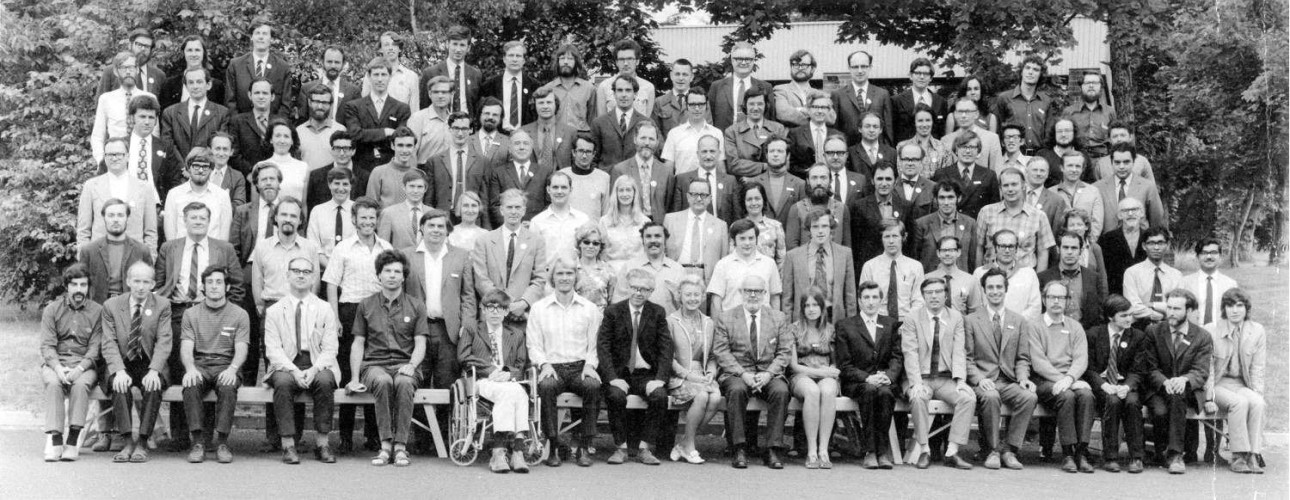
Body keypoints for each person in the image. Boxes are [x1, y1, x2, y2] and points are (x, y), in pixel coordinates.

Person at [155, 201, 245, 450]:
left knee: (212, 365)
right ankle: (181, 435)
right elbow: (161, 284)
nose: (197, 221)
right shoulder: (169, 248)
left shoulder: (223, 248)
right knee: (182, 371)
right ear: (184, 221)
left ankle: (206, 436)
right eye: (192, 217)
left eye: (202, 218)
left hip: (214, 312)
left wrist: (225, 311)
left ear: (209, 221)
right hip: (178, 312)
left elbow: (236, 284)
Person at [320, 196, 391, 452]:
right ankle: (346, 436)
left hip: (377, 311)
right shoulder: (343, 248)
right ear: (354, 220)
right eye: (363, 218)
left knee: (374, 369)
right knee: (348, 372)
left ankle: (373, 435)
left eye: (372, 218)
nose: (368, 222)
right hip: (349, 310)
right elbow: (331, 284)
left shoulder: (385, 248)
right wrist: (335, 317)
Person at [401, 209, 477, 442]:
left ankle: (444, 437)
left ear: (447, 231)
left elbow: (468, 295)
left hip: (448, 330)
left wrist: (468, 324)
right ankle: (421, 438)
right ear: (421, 228)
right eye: (431, 225)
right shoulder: (406, 255)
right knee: (419, 380)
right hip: (417, 331)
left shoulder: (461, 256)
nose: (435, 230)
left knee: (446, 383)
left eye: (441, 227)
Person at [346, 250, 427, 467]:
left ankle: (400, 447)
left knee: (403, 382)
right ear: (379, 275)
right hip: (374, 365)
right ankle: (385, 445)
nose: (392, 275)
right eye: (387, 271)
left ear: (403, 276)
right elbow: (358, 343)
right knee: (382, 381)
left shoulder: (416, 305)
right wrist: (354, 377)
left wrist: (411, 365)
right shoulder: (366, 304)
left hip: (405, 365)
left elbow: (420, 343)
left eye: (397, 271)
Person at [263, 256, 340, 464]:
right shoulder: (274, 311)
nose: (300, 275)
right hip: (287, 364)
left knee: (325, 381)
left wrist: (314, 370)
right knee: (282, 382)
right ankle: (288, 445)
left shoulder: (324, 308)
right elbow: (273, 350)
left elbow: (331, 347)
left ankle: (322, 443)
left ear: (314, 277)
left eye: (306, 272)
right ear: (287, 275)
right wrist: (294, 371)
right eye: (296, 271)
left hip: (317, 362)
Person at [528, 256, 603, 467]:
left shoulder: (589, 308)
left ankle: (583, 445)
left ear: (575, 277)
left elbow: (595, 345)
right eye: (559, 273)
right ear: (552, 277)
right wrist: (544, 364)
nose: (564, 278)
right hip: (553, 367)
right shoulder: (539, 308)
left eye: (569, 273)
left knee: (593, 386)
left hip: (580, 366)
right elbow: (533, 344)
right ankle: (553, 445)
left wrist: (589, 365)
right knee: (546, 386)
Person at [713, 275, 793, 469]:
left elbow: (784, 352)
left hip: (768, 373)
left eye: (758, 291)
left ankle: (773, 448)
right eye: (748, 291)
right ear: (741, 293)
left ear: (765, 294)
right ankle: (739, 447)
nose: (753, 295)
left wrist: (768, 374)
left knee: (781, 391)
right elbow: (721, 352)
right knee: (737, 390)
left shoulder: (778, 318)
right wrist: (743, 374)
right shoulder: (726, 317)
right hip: (737, 374)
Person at [597, 268, 674, 466]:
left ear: (651, 292)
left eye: (644, 289)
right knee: (615, 395)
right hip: (619, 373)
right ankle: (620, 447)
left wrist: (659, 380)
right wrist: (612, 378)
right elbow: (603, 347)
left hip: (645, 374)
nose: (638, 293)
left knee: (659, 396)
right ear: (628, 288)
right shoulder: (613, 311)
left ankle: (644, 447)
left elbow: (666, 349)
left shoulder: (657, 313)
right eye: (635, 288)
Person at [964, 268, 1038, 470]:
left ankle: (1009, 450)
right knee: (990, 396)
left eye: (999, 287)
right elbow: (967, 358)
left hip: (1008, 380)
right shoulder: (971, 320)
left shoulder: (1019, 320)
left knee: (1029, 396)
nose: (995, 291)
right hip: (984, 381)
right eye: (990, 287)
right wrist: (979, 379)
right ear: (983, 290)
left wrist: (1023, 378)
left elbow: (1023, 357)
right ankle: (992, 450)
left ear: (1006, 289)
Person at [901, 277, 975, 469]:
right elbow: (910, 352)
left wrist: (960, 380)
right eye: (929, 292)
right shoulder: (912, 318)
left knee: (967, 398)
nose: (934, 296)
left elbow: (960, 351)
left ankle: (952, 451)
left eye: (938, 292)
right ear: (923, 295)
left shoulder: (956, 317)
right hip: (921, 378)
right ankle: (924, 450)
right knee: (918, 398)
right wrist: (915, 383)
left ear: (945, 294)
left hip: (945, 378)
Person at [100, 262, 171, 463]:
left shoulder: (163, 305)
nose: (141, 286)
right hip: (122, 361)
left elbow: (164, 341)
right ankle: (127, 441)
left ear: (153, 284)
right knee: (119, 384)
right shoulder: (111, 306)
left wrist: (155, 370)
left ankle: (142, 441)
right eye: (137, 281)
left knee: (153, 386)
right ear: (128, 281)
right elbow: (108, 342)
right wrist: (119, 371)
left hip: (148, 361)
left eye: (146, 282)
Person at [180, 266, 251, 464]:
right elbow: (186, 347)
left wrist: (233, 370)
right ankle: (198, 443)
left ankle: (222, 443)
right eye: (209, 282)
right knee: (191, 385)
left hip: (226, 364)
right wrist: (190, 369)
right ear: (203, 286)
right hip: (200, 363)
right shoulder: (191, 314)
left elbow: (242, 348)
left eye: (219, 282)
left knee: (228, 387)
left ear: (227, 287)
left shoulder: (239, 314)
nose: (214, 286)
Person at [459, 290, 533, 473]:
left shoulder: (516, 334)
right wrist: (491, 369)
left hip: (508, 382)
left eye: (500, 308)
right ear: (483, 310)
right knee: (512, 393)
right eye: (490, 308)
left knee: (518, 392)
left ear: (507, 312)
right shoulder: (472, 329)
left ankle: (510, 451)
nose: (494, 312)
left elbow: (521, 364)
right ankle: (511, 449)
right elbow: (464, 357)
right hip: (482, 380)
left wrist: (508, 374)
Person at [1140, 289, 1212, 474]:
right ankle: (1163, 452)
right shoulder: (1154, 331)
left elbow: (1201, 371)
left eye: (1177, 309)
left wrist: (1184, 380)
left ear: (1189, 311)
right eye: (1169, 307)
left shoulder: (1202, 336)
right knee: (1161, 410)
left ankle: (1174, 454)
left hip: (1187, 390)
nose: (1171, 312)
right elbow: (1149, 367)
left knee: (1178, 394)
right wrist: (1164, 382)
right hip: (1157, 388)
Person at [1030, 281, 1097, 473]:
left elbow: (1081, 358)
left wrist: (1069, 379)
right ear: (1044, 299)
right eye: (1052, 297)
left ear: (1067, 301)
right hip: (1043, 380)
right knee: (1066, 397)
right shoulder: (1034, 326)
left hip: (1070, 379)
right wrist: (1063, 381)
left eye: (1061, 297)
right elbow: (1038, 362)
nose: (1056, 301)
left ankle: (1081, 452)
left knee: (1086, 395)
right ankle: (1067, 453)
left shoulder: (1075, 327)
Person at [39, 264, 103, 462]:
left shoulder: (98, 311)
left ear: (88, 287)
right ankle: (56, 441)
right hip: (56, 363)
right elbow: (47, 346)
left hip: (85, 365)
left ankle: (73, 442)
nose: (78, 289)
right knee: (53, 383)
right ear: (66, 286)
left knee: (80, 385)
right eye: (74, 284)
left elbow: (95, 348)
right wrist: (58, 368)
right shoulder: (52, 310)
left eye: (83, 285)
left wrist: (79, 369)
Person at [834, 281, 901, 469]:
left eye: (874, 297)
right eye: (866, 298)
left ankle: (882, 451)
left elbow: (897, 357)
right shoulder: (846, 326)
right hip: (857, 382)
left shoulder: (890, 324)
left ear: (881, 300)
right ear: (859, 300)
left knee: (886, 393)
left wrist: (889, 375)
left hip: (884, 380)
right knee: (870, 391)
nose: (870, 302)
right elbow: (844, 364)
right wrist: (866, 377)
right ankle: (870, 451)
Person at [1203, 288, 1267, 474]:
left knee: (1258, 403)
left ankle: (1253, 455)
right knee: (1239, 403)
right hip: (1217, 384)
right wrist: (1208, 398)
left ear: (1246, 308)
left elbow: (1258, 368)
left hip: (1240, 384)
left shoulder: (1257, 331)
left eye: (1240, 306)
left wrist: (1257, 392)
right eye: (1230, 306)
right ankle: (1239, 456)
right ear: (1224, 309)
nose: (1235, 310)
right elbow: (1208, 369)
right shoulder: (1212, 330)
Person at [1083, 294, 1149, 473]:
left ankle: (1136, 457)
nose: (1129, 319)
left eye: (1130, 315)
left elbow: (1138, 369)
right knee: (1112, 401)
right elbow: (1088, 368)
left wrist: (1126, 386)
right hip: (1102, 384)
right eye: (1124, 315)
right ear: (1111, 317)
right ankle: (1110, 456)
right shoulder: (1094, 335)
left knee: (1132, 402)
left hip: (1126, 384)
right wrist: (1103, 385)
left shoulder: (1138, 337)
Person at [666, 275, 720, 464]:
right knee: (703, 396)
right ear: (680, 295)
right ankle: (689, 446)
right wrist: (688, 375)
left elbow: (712, 356)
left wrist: (712, 373)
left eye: (697, 294)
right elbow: (668, 358)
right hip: (679, 376)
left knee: (715, 397)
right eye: (688, 294)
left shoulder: (708, 322)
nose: (692, 299)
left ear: (703, 296)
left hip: (703, 376)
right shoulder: (671, 321)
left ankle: (684, 442)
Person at [472, 189, 548, 323]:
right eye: (509, 207)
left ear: (524, 210)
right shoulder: (484, 241)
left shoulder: (537, 241)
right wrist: (501, 304)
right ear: (502, 210)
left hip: (522, 316)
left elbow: (540, 278)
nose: (513, 211)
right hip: (492, 314)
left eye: (518, 207)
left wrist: (523, 303)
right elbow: (481, 278)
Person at [788, 288, 840, 469]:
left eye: (815, 305)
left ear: (822, 307)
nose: (811, 309)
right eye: (807, 305)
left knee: (827, 390)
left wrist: (830, 372)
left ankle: (823, 450)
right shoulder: (793, 329)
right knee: (812, 390)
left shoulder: (831, 330)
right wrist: (821, 372)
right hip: (801, 376)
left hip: (826, 374)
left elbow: (834, 363)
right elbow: (793, 365)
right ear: (802, 309)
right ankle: (811, 450)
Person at [77, 138, 159, 251]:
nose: (114, 158)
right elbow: (83, 231)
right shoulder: (91, 186)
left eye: (119, 154)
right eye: (110, 154)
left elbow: (151, 232)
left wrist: (149, 261)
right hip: (99, 257)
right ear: (105, 157)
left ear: (128, 156)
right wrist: (85, 260)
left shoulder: (144, 188)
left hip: (135, 258)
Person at [781, 209, 855, 323]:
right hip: (804, 319)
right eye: (815, 227)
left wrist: (851, 327)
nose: (820, 231)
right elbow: (787, 300)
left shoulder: (844, 254)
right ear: (809, 229)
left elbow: (850, 296)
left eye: (824, 226)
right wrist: (788, 328)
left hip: (834, 319)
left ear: (831, 228)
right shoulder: (793, 256)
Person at [974, 167, 1055, 271]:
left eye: (1014, 184)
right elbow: (978, 247)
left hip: (1024, 278)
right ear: (1000, 188)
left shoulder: (1038, 216)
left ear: (1023, 186)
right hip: (992, 277)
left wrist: (1038, 281)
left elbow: (1043, 253)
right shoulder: (986, 212)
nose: (1010, 189)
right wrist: (979, 277)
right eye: (1006, 185)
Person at [77, 198, 154, 305]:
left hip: (130, 307)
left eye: (120, 215)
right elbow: (80, 284)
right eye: (111, 215)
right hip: (98, 307)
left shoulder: (141, 250)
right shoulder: (89, 251)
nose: (116, 219)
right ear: (104, 218)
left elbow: (148, 283)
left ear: (127, 218)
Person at [341, 57, 412, 171]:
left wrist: (367, 134)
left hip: (390, 166)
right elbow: (355, 135)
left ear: (390, 77)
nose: (380, 79)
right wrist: (386, 132)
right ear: (369, 77)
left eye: (383, 74)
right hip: (360, 166)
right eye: (376, 74)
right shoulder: (353, 106)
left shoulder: (402, 108)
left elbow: (399, 139)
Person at [91, 51, 156, 163]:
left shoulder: (149, 97)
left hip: (142, 157)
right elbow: (98, 135)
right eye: (123, 68)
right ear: (116, 72)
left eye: (131, 67)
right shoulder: (106, 99)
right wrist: (101, 160)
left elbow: (155, 133)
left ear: (137, 70)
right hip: (115, 157)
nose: (128, 71)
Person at [708, 219, 783, 312]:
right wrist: (718, 325)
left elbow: (775, 298)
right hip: (731, 323)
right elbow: (716, 301)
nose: (747, 243)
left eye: (751, 238)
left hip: (763, 323)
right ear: (734, 240)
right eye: (742, 238)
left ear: (756, 239)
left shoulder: (769, 264)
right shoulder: (723, 264)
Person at [663, 178, 729, 284]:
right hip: (676, 274)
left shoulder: (720, 226)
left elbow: (724, 260)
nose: (699, 199)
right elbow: (663, 252)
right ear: (688, 196)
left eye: (703, 195)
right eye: (694, 194)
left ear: (710, 198)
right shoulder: (670, 220)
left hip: (706, 278)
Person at [1093, 143, 1168, 234]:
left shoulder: (1147, 186)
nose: (1121, 167)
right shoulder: (1098, 188)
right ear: (1111, 163)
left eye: (1126, 162)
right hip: (1107, 244)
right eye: (1117, 162)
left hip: (1140, 243)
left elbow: (1157, 219)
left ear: (1133, 162)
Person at [160, 66, 232, 161]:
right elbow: (168, 144)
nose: (195, 86)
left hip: (208, 168)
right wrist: (183, 168)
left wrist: (200, 166)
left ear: (208, 85)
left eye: (199, 82)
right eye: (191, 82)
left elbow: (220, 145)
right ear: (185, 86)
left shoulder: (222, 113)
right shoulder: (170, 113)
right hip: (179, 171)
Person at [1038, 232, 1109, 329]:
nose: (1069, 252)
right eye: (1065, 247)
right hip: (1053, 335)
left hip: (1086, 336)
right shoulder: (1044, 278)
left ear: (1081, 250)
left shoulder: (1094, 278)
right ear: (1058, 249)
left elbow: (1101, 312)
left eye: (1074, 248)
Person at [612, 223, 686, 313]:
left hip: (667, 325)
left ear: (665, 240)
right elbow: (618, 301)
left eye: (657, 236)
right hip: (636, 325)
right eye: (648, 236)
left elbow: (685, 305)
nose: (653, 240)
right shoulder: (630, 266)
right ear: (643, 240)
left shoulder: (677, 270)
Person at [860, 220, 925, 323]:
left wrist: (908, 323)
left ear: (904, 237)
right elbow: (865, 300)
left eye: (895, 236)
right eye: (886, 237)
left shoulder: (915, 267)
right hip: (878, 323)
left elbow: (919, 301)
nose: (891, 241)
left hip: (907, 322)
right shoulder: (870, 266)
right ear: (881, 239)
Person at [485, 130, 553, 226]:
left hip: (536, 230)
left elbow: (550, 204)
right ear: (509, 148)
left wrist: (535, 224)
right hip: (507, 229)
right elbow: (495, 205)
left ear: (531, 147)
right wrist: (512, 224)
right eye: (517, 143)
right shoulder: (498, 173)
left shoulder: (545, 172)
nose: (522, 147)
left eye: (526, 143)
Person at [849, 162, 911, 267]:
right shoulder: (859, 207)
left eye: (888, 179)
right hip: (871, 266)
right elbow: (856, 244)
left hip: (899, 266)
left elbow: (910, 243)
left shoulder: (905, 206)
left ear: (895, 181)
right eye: (880, 179)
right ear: (873, 181)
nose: (884, 183)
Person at [225, 22, 294, 116]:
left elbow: (286, 104)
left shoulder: (282, 67)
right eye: (257, 33)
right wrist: (239, 125)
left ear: (271, 39)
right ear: (251, 37)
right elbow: (230, 102)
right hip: (241, 126)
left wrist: (275, 126)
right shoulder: (236, 65)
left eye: (265, 34)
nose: (261, 37)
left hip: (273, 127)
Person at [971, 229, 1042, 320]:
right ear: (995, 248)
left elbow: (1035, 308)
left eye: (1011, 246)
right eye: (1003, 246)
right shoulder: (980, 273)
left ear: (1016, 248)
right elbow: (977, 306)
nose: (1007, 250)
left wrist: (1014, 324)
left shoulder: (1028, 273)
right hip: (988, 329)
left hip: (1020, 329)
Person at [164, 149, 233, 241]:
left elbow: (224, 236)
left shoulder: (222, 196)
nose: (200, 170)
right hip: (182, 252)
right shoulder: (174, 195)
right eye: (196, 166)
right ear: (188, 168)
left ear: (211, 169)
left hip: (212, 253)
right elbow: (170, 236)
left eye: (205, 167)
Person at [428, 112, 489, 216]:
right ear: (450, 129)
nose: (460, 133)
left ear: (471, 130)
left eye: (464, 129)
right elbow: (429, 199)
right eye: (456, 128)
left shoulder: (482, 161)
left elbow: (484, 198)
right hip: (443, 218)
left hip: (471, 217)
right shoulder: (435, 161)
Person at [992, 56, 1057, 153]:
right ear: (1021, 71)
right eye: (1027, 68)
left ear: (1041, 75)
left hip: (1039, 157)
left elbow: (1050, 134)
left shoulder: (1046, 101)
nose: (1030, 72)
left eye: (1035, 69)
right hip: (1012, 156)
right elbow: (996, 131)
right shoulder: (1004, 98)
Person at [611, 124, 674, 224]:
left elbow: (669, 205)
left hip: (658, 228)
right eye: (643, 138)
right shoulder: (620, 170)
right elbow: (615, 205)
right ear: (635, 139)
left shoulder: (666, 172)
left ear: (657, 142)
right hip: (630, 226)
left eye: (651, 139)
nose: (647, 143)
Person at [708, 42, 776, 131]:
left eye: (748, 59)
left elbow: (771, 117)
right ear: (732, 60)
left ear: (753, 61)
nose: (743, 63)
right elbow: (711, 116)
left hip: (756, 140)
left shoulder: (766, 87)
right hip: (725, 140)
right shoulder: (717, 86)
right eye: (739, 59)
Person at [931, 130, 1000, 218]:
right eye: (963, 147)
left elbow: (994, 209)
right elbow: (934, 207)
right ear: (956, 150)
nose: (967, 151)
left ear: (978, 152)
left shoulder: (989, 175)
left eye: (972, 147)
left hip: (977, 226)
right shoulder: (942, 174)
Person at [912, 181, 978, 273]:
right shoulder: (922, 224)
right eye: (942, 198)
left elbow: (972, 258)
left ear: (958, 198)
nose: (946, 202)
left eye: (950, 197)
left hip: (960, 280)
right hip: (931, 280)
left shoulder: (970, 223)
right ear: (936, 199)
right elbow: (915, 258)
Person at [1122, 227, 1182, 326]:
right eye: (1151, 243)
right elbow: (1133, 306)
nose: (1156, 247)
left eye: (1160, 243)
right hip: (1139, 328)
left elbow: (1178, 306)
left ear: (1167, 245)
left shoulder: (1176, 275)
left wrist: (1152, 305)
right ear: (1144, 246)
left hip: (1169, 328)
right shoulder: (1132, 273)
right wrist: (1158, 314)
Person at [670, 135, 737, 223]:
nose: (708, 156)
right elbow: (676, 214)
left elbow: (737, 215)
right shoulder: (682, 180)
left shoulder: (730, 181)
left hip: (721, 233)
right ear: (697, 154)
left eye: (712, 151)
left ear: (719, 153)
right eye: (704, 151)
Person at [832, 50, 893, 146]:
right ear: (849, 68)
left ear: (870, 67)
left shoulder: (883, 94)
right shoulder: (838, 95)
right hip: (848, 151)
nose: (860, 71)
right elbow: (835, 129)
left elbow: (888, 128)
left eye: (864, 66)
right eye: (855, 67)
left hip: (876, 153)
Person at [591, 75, 651, 171]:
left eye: (628, 90)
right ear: (614, 94)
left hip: (635, 179)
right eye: (619, 90)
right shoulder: (599, 123)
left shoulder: (646, 123)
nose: (624, 95)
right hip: (608, 178)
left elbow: (654, 154)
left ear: (635, 94)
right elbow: (593, 157)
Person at [723, 89, 787, 178]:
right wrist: (764, 166)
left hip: (772, 181)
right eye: (751, 104)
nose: (756, 108)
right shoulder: (732, 131)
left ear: (766, 105)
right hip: (743, 183)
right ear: (745, 106)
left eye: (760, 104)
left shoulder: (778, 129)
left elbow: (782, 161)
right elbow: (733, 165)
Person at [529, 171, 589, 266]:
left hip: (576, 275)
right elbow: (531, 255)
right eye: (555, 187)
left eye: (564, 187)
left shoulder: (583, 220)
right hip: (546, 277)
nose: (559, 191)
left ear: (571, 190)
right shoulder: (537, 222)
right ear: (548, 190)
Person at [784, 165, 850, 249]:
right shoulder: (797, 208)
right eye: (814, 178)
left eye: (823, 178)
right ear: (808, 181)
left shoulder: (842, 208)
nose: (819, 182)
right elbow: (792, 247)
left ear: (830, 180)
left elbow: (847, 247)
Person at [419, 25, 481, 116]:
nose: (458, 49)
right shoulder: (430, 73)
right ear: (448, 44)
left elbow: (477, 107)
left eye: (462, 45)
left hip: (466, 127)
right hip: (439, 125)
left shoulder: (476, 75)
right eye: (455, 44)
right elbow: (424, 106)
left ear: (468, 48)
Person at [661, 90, 726, 175]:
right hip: (682, 186)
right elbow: (668, 168)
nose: (697, 108)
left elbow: (720, 166)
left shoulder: (716, 133)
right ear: (686, 106)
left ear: (706, 106)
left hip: (709, 185)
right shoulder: (674, 134)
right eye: (692, 104)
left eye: (701, 104)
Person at [482, 41, 540, 134]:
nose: (514, 59)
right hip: (497, 135)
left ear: (524, 60)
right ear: (504, 59)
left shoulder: (534, 85)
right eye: (511, 55)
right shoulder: (490, 85)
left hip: (525, 136)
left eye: (518, 56)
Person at [743, 137, 805, 224]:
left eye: (780, 151)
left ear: (788, 155)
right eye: (772, 151)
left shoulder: (799, 184)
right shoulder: (753, 182)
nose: (775, 154)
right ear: (766, 155)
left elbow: (804, 218)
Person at [538, 43, 597, 132]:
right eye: (562, 58)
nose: (566, 62)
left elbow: (593, 120)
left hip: (581, 139)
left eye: (570, 59)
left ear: (576, 62)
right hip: (555, 140)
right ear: (557, 62)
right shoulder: (547, 89)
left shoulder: (589, 89)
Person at [226, 79, 281, 176]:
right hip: (246, 179)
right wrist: (252, 172)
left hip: (275, 178)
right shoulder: (237, 122)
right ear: (249, 95)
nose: (261, 96)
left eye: (265, 93)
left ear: (272, 97)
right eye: (257, 93)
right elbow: (233, 154)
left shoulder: (281, 123)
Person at [922, 235, 984, 316]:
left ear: (958, 252)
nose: (947, 254)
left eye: (951, 250)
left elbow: (975, 311)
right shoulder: (927, 279)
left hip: (961, 326)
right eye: (944, 250)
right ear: (938, 253)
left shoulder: (970, 280)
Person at [1062, 72, 1117, 163]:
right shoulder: (1069, 112)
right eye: (1087, 83)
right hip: (1077, 161)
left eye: (1095, 83)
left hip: (1103, 160)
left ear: (1101, 87)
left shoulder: (1110, 112)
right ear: (1081, 86)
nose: (1091, 86)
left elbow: (1115, 139)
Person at [297, 46, 361, 123]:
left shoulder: (353, 91)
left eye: (337, 62)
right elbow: (302, 120)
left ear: (343, 64)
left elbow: (356, 122)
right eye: (329, 62)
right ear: (322, 62)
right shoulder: (307, 89)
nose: (333, 66)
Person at [306, 167, 356, 266]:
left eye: (345, 184)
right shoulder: (318, 211)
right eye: (337, 183)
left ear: (351, 186)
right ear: (329, 185)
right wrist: (331, 269)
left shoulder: (358, 210)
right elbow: (313, 245)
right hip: (324, 269)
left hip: (352, 269)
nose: (341, 188)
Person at [1183, 238, 1238, 326]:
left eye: (1213, 253)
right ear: (1197, 257)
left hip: (1221, 334)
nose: (1209, 257)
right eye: (1204, 253)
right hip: (1193, 333)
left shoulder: (1230, 284)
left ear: (1220, 256)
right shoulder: (1185, 283)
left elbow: (1235, 314)